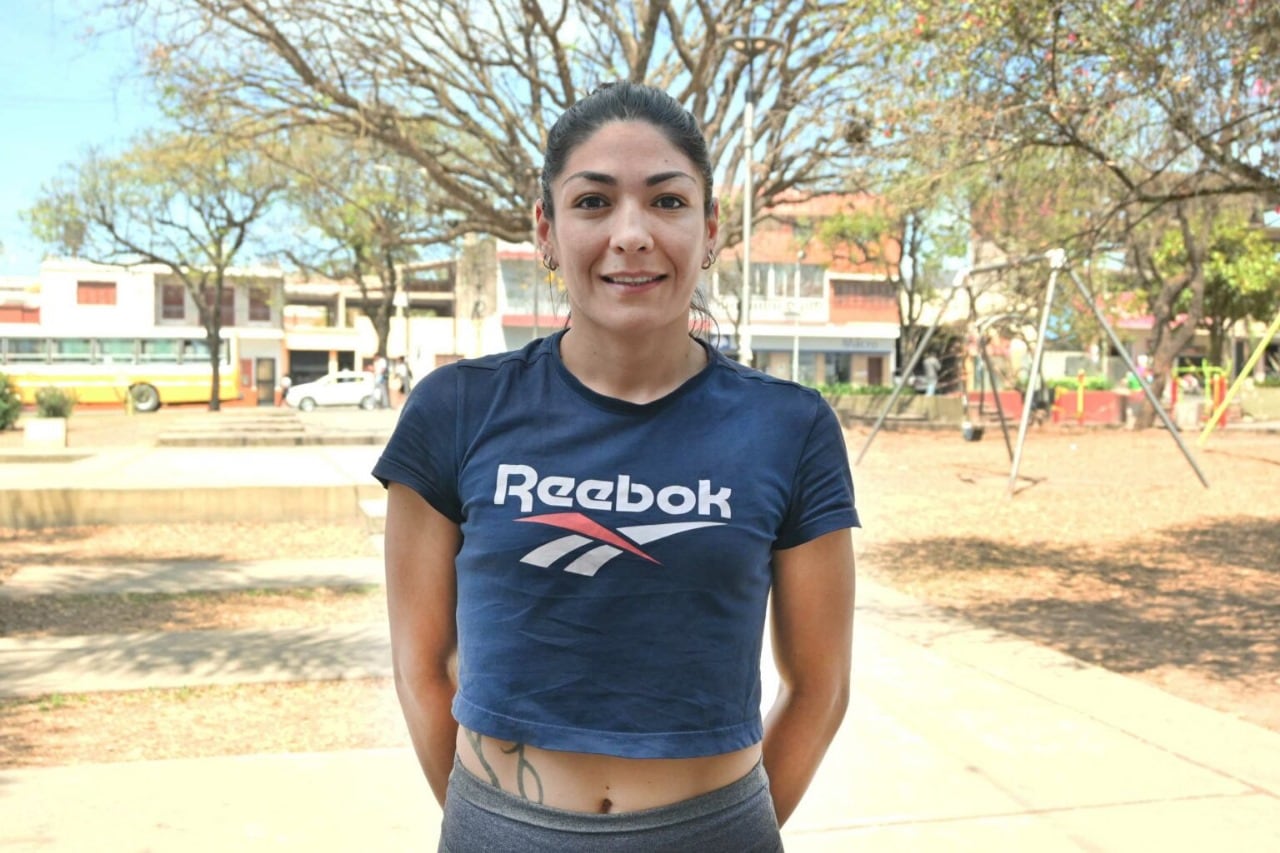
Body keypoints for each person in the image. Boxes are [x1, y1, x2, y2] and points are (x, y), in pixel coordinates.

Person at [374, 82, 858, 852]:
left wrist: (734, 828)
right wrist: (491, 826)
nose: (631, 233)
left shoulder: (790, 428)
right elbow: (420, 666)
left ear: (710, 229)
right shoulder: (453, 410)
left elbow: (820, 687)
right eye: (593, 202)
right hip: (500, 827)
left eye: (666, 202)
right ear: (546, 228)